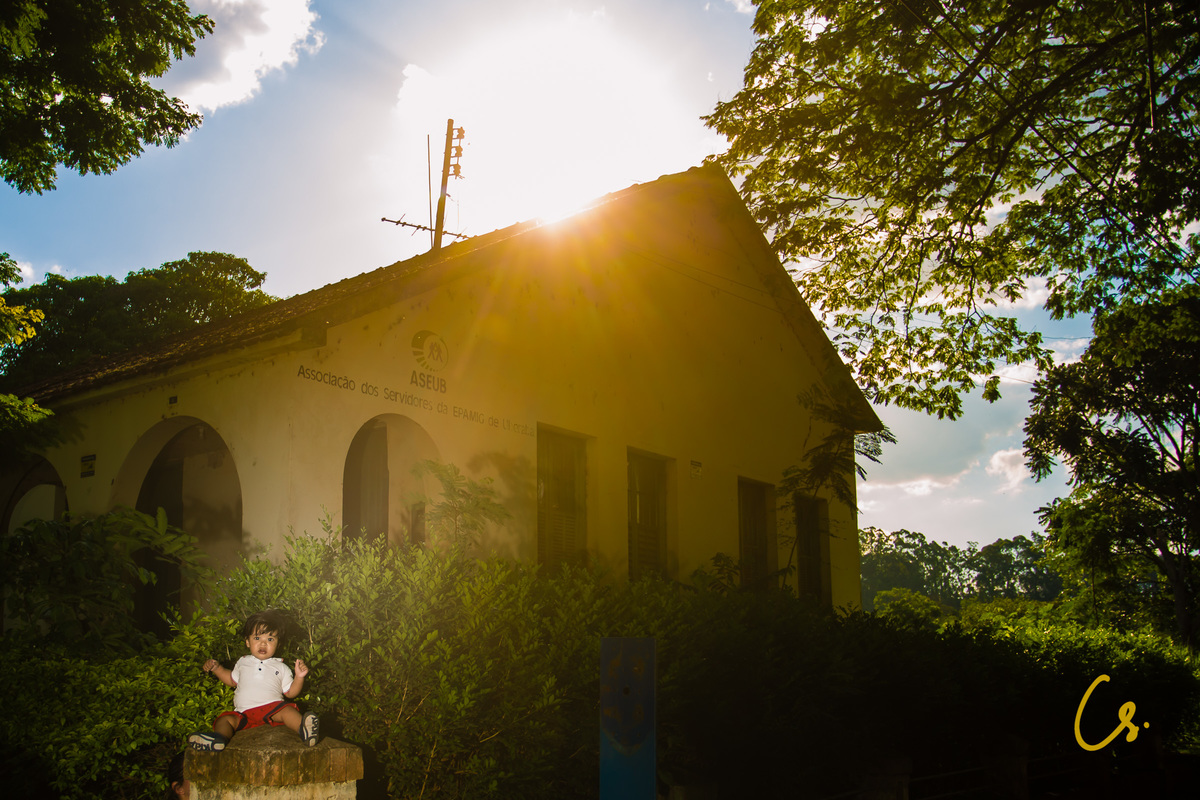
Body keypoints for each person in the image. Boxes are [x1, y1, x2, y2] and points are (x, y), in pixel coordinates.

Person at [188, 610, 319, 750]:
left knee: (288, 711)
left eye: (270, 639)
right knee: (225, 720)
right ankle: (219, 739)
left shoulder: (281, 667)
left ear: (278, 644)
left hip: (272, 710)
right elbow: (231, 680)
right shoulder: (243, 662)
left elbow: (291, 693)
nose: (263, 644)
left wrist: (299, 677)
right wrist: (217, 668)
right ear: (247, 642)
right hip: (243, 713)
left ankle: (305, 730)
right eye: (257, 638)